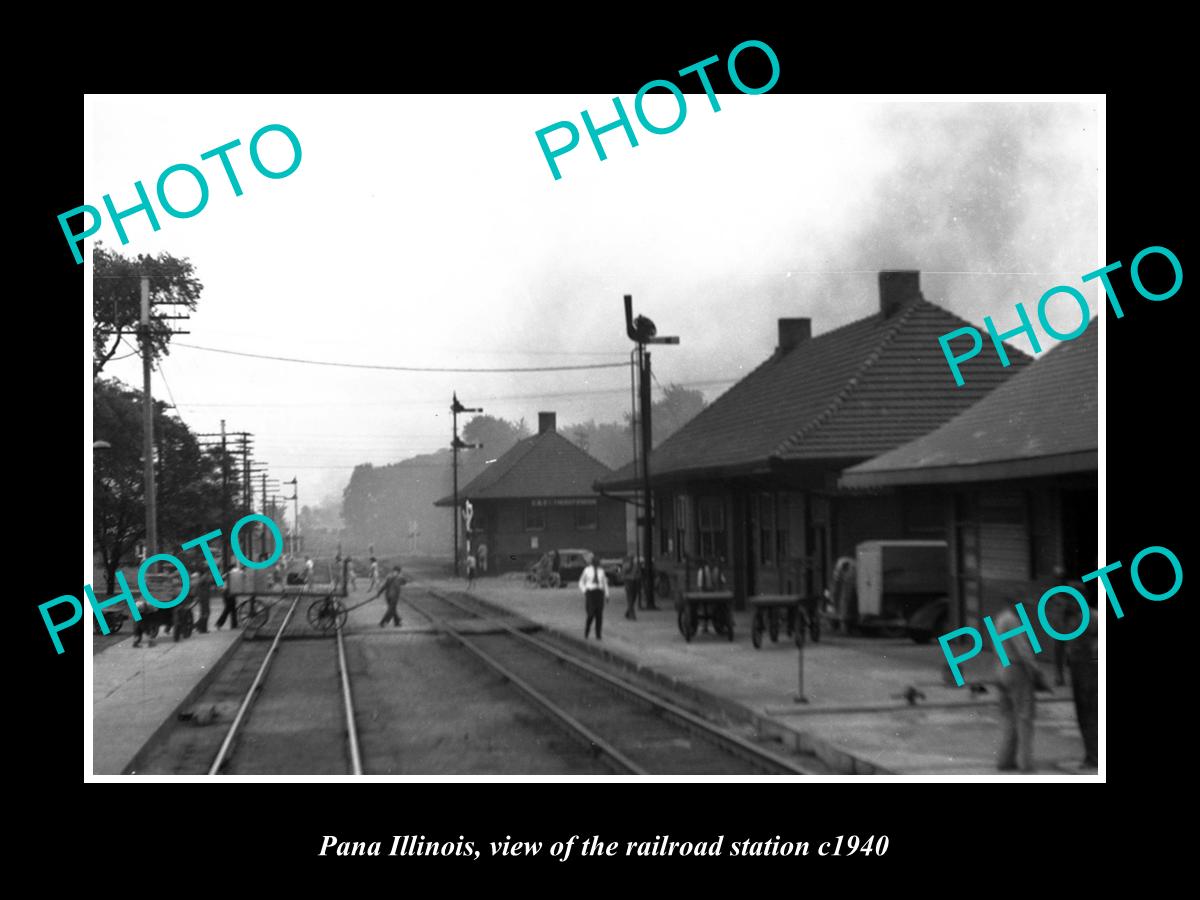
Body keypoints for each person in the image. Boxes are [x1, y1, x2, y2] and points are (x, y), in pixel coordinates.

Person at [992, 605, 1042, 773]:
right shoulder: (1012, 620)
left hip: (1001, 667)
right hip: (1016, 668)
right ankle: (1026, 763)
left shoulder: (1000, 618)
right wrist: (1036, 670)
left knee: (1008, 716)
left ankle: (1005, 759)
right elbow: (1023, 649)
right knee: (1024, 716)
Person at [1064, 592, 1099, 770]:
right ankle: (1091, 754)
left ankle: (1094, 757)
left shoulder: (1093, 617)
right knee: (1082, 715)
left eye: (1070, 599)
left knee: (1091, 715)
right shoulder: (1072, 619)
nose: (1068, 603)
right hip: (1078, 670)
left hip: (1090, 671)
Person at [578, 552, 609, 640]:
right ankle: (587, 630)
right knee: (591, 613)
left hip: (599, 593)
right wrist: (584, 591)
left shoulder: (601, 571)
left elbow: (604, 583)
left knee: (599, 615)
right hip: (590, 593)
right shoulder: (587, 570)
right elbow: (581, 582)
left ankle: (598, 634)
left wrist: (607, 594)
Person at [216, 562, 243, 630]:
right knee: (228, 609)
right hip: (227, 593)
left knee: (233, 609)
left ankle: (234, 624)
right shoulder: (228, 575)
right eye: (233, 568)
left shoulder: (228, 575)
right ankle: (219, 623)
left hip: (229, 593)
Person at [622, 554, 641, 620]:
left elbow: (638, 573)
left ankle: (628, 612)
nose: (632, 559)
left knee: (633, 598)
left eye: (633, 558)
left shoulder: (636, 565)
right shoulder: (626, 565)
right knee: (630, 598)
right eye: (631, 558)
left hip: (635, 582)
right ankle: (632, 615)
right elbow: (623, 574)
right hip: (628, 582)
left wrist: (638, 577)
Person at [194, 569, 213, 634]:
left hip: (205, 597)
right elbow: (198, 586)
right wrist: (199, 595)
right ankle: (201, 628)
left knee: (205, 613)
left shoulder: (206, 577)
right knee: (205, 613)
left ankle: (200, 627)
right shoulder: (204, 577)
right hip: (204, 597)